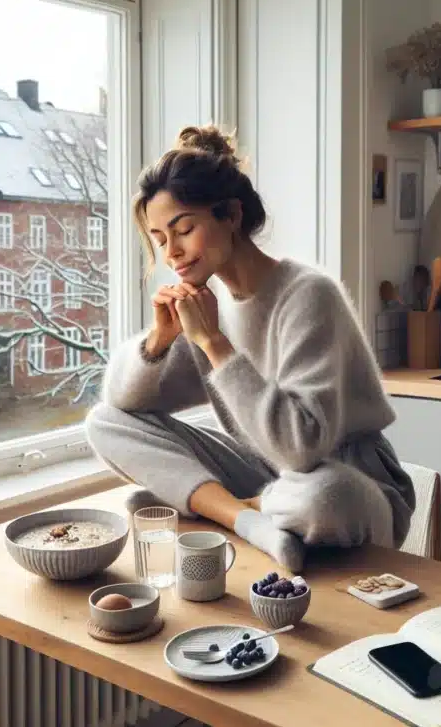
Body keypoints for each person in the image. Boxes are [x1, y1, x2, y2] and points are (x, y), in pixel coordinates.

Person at [85, 125, 415, 573]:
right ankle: (246, 518)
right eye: (161, 240)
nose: (172, 254)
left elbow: (301, 449)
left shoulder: (308, 294)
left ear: (232, 215)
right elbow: (124, 404)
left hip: (353, 483)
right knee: (103, 421)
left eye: (184, 230)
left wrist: (215, 345)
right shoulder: (207, 307)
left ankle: (213, 504)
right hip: (265, 472)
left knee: (323, 495)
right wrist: (159, 340)